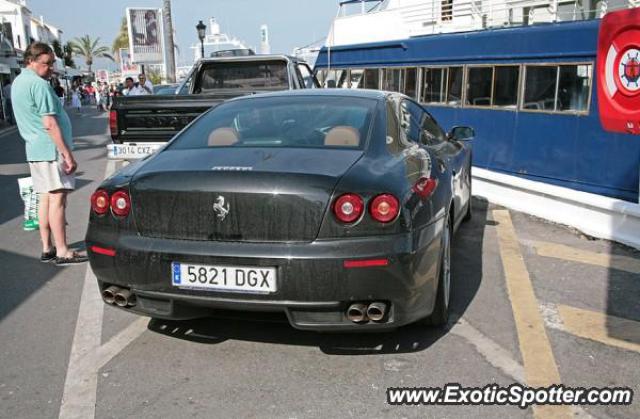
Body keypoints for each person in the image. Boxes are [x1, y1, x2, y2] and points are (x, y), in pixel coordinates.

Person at [11, 42, 87, 265]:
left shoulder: (19, 82)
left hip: (35, 149)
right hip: (49, 150)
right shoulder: (38, 85)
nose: (51, 68)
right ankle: (63, 250)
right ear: (31, 61)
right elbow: (50, 124)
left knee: (45, 197)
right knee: (57, 200)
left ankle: (47, 247)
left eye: (52, 63)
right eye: (46, 63)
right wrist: (67, 155)